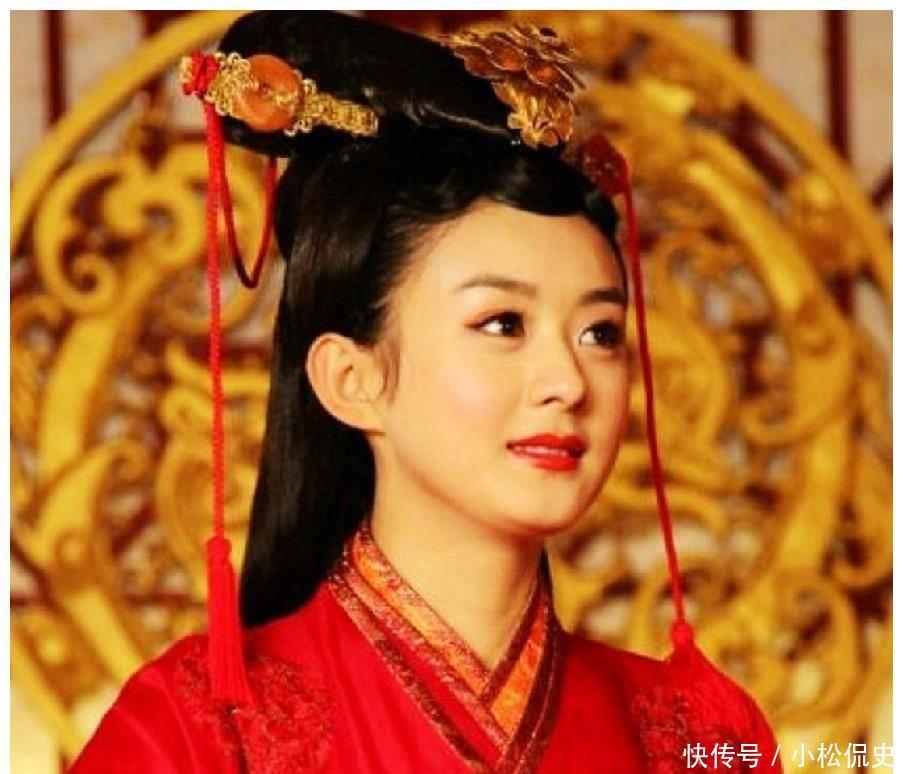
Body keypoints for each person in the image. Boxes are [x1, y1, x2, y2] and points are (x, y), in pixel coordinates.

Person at [70, 11, 782, 773]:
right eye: (502, 323)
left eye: (599, 333)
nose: (567, 382)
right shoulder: (197, 731)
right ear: (352, 380)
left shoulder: (697, 737)